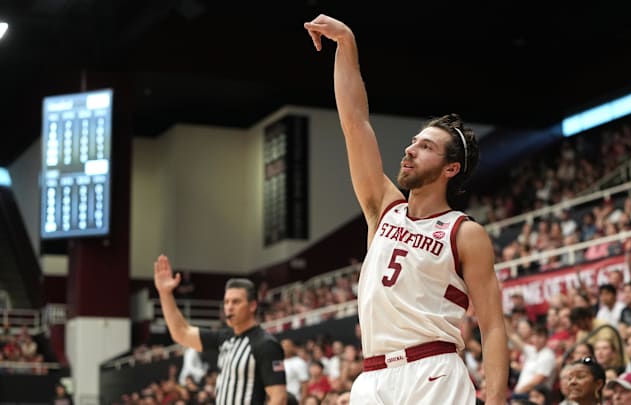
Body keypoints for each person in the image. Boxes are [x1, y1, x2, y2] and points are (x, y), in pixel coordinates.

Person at [304, 14, 508, 405]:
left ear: (451, 168)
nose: (411, 148)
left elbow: (493, 326)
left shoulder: (464, 232)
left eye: (427, 146)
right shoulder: (384, 208)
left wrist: (496, 400)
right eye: (414, 141)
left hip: (432, 372)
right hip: (371, 377)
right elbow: (355, 123)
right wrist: (346, 44)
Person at [153, 254, 287, 404]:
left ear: (252, 305)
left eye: (236, 302)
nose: (229, 307)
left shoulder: (265, 344)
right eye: (226, 302)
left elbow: (279, 397)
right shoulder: (225, 337)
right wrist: (165, 294)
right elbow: (181, 333)